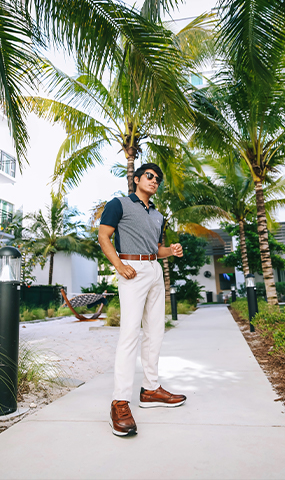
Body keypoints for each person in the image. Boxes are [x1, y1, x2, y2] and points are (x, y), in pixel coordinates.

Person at [98, 163, 187, 437]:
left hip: (154, 270)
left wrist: (169, 251)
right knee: (129, 335)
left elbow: (155, 249)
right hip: (131, 270)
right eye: (149, 176)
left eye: (158, 179)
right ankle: (120, 401)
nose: (154, 181)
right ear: (136, 179)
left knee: (155, 332)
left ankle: (150, 389)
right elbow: (104, 236)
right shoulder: (119, 204)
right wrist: (119, 266)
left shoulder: (158, 215)